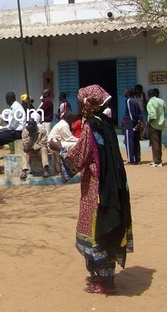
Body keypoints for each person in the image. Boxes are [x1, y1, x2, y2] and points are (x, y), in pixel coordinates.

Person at [49, 85, 133, 295]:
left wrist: (58, 148)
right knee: (103, 225)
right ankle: (101, 274)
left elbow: (81, 155)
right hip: (111, 182)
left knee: (98, 228)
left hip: (98, 186)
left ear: (88, 103)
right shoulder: (104, 123)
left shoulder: (91, 126)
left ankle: (106, 281)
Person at [21, 113, 50, 179]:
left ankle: (45, 170)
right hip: (30, 151)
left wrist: (33, 148)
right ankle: (24, 171)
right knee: (24, 152)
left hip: (39, 150)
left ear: (36, 125)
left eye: (32, 124)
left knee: (44, 149)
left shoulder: (42, 131)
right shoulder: (25, 132)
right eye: (29, 124)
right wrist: (30, 135)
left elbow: (43, 143)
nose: (30, 126)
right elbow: (25, 145)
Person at [146, 88, 167, 167]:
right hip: (161, 124)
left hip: (153, 125)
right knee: (158, 142)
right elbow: (165, 111)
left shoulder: (150, 103)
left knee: (155, 144)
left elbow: (152, 116)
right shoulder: (161, 101)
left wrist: (148, 122)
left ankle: (157, 161)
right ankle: (157, 159)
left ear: (149, 95)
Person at [123, 88, 142, 165]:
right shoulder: (135, 101)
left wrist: (133, 122)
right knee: (136, 142)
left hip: (130, 124)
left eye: (125, 92)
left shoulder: (129, 101)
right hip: (136, 124)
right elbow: (139, 113)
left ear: (128, 93)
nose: (124, 93)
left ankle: (130, 159)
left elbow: (131, 114)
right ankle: (137, 159)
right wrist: (138, 122)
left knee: (129, 142)